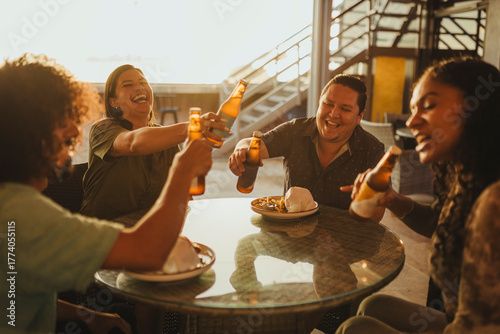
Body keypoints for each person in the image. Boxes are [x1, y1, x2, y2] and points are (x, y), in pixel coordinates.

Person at [0, 54, 213, 333]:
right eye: (60, 119)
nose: (76, 130)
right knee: (166, 276)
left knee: (181, 274)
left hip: (137, 238)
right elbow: (146, 250)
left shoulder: (15, 207)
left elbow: (21, 294)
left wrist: (95, 318)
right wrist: (187, 155)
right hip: (112, 243)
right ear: (26, 130)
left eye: (142, 81)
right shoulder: (23, 216)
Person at [336, 57, 500, 333]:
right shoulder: (468, 175)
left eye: (430, 105)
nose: (412, 122)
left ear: (476, 107)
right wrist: (393, 200)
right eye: (412, 110)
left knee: (355, 327)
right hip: (458, 319)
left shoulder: (494, 201)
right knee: (373, 305)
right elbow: (444, 223)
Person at [80, 64, 227, 220]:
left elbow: (183, 195)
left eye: (143, 82)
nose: (139, 87)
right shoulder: (102, 129)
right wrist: (193, 127)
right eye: (128, 85)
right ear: (114, 102)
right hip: (106, 230)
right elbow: (133, 143)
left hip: (150, 228)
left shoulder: (166, 139)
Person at [228, 74, 385, 218]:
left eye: (345, 109)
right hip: (290, 234)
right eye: (328, 104)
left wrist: (372, 199)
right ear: (319, 103)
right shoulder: (295, 131)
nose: (333, 113)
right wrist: (241, 148)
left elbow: (377, 216)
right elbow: (254, 143)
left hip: (341, 240)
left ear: (360, 116)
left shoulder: (372, 150)